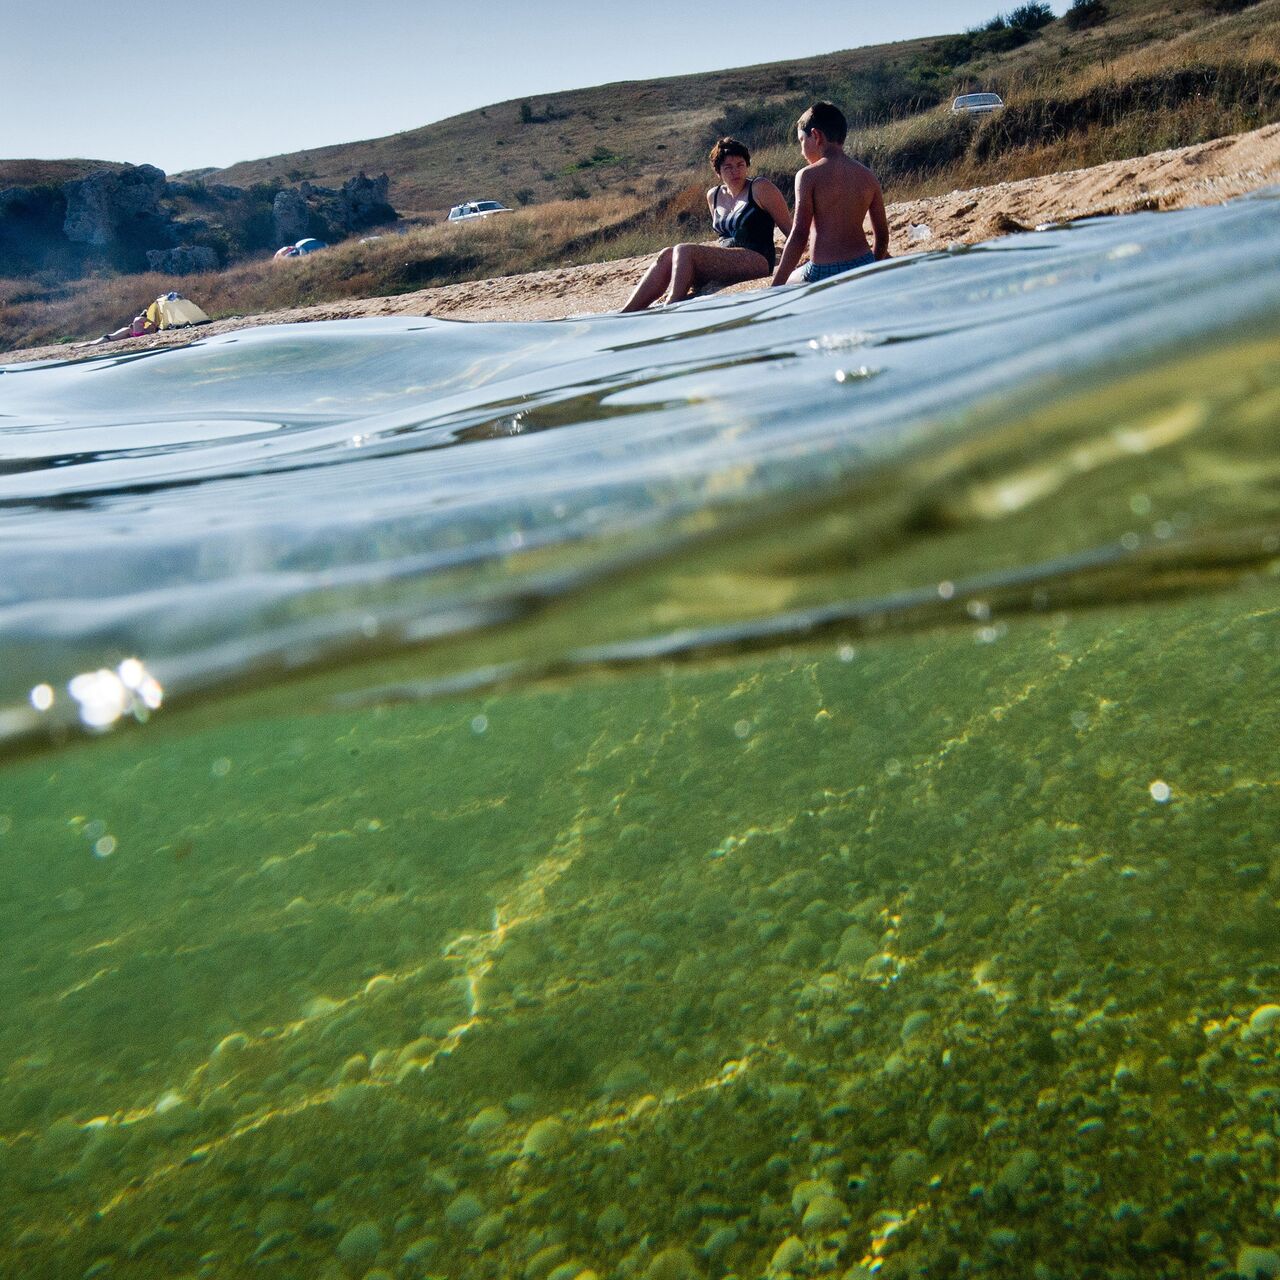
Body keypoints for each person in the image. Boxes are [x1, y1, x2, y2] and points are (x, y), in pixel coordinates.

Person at [622, 137, 792, 311]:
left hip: (757, 259)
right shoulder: (714, 195)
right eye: (728, 167)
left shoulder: (760, 188)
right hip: (725, 261)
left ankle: (672, 306)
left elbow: (791, 231)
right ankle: (626, 313)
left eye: (740, 165)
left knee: (684, 250)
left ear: (747, 165)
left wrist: (790, 267)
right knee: (667, 254)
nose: (736, 171)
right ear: (718, 172)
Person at [772, 102, 890, 286]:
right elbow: (882, 236)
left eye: (801, 141)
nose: (802, 151)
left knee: (791, 279)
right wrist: (871, 266)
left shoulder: (808, 176)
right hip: (863, 263)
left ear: (816, 136)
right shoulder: (868, 176)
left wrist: (776, 286)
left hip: (824, 270)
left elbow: (799, 235)